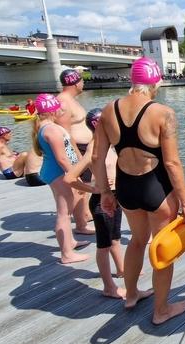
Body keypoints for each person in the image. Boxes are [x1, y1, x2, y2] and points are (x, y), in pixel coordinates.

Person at [92, 57, 185, 324]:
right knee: (162, 249)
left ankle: (132, 294)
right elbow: (172, 163)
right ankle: (161, 310)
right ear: (155, 82)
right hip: (156, 189)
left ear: (132, 81)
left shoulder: (107, 110)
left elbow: (96, 158)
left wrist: (104, 192)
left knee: (137, 241)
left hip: (126, 188)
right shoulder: (163, 113)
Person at [64, 108, 125, 298]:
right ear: (98, 124)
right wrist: (94, 189)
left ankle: (122, 270)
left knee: (115, 238)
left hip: (115, 198)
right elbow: (70, 177)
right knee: (104, 245)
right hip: (101, 201)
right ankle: (109, 287)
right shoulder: (93, 148)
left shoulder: (110, 145)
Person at [31, 93, 89, 264]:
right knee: (64, 213)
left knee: (66, 210)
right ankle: (67, 254)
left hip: (53, 172)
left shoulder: (44, 127)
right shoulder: (52, 129)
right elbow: (62, 158)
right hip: (57, 173)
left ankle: (69, 242)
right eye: (58, 108)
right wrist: (74, 178)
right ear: (52, 110)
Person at [57, 68, 94, 235]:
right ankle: (81, 224)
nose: (83, 83)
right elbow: (65, 135)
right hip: (77, 149)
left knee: (86, 184)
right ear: (75, 82)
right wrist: (77, 157)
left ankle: (85, 214)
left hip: (83, 147)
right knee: (80, 185)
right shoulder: (64, 103)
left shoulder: (71, 100)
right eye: (81, 80)